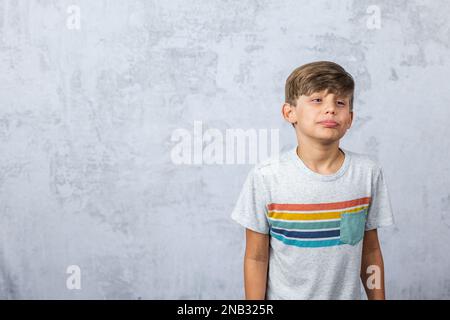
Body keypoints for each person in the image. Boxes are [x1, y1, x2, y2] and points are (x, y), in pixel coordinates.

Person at [230, 61, 395, 300]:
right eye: (317, 100)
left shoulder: (367, 173)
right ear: (290, 112)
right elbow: (256, 257)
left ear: (349, 118)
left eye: (340, 102)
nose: (330, 109)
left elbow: (370, 252)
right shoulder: (266, 177)